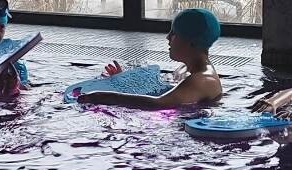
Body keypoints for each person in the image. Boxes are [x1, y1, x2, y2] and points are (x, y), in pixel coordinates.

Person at [74, 8, 225, 110]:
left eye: (174, 33)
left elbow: (157, 103)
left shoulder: (203, 80)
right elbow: (160, 90)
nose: (168, 37)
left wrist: (101, 96)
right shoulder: (184, 70)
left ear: (191, 41)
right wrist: (125, 80)